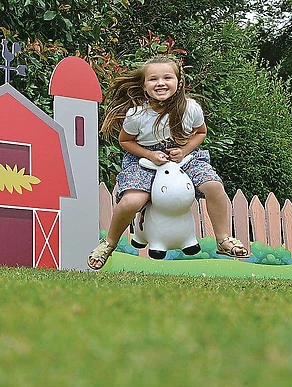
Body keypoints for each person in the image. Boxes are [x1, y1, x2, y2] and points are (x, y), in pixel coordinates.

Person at [87, 56, 249, 270]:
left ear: (178, 82)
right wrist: (149, 155)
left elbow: (200, 133)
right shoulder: (137, 114)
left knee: (214, 187)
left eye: (167, 77)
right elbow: (125, 141)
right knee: (130, 202)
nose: (160, 83)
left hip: (184, 155)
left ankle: (223, 239)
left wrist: (184, 151)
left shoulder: (190, 108)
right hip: (143, 159)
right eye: (153, 79)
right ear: (144, 86)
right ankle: (109, 243)